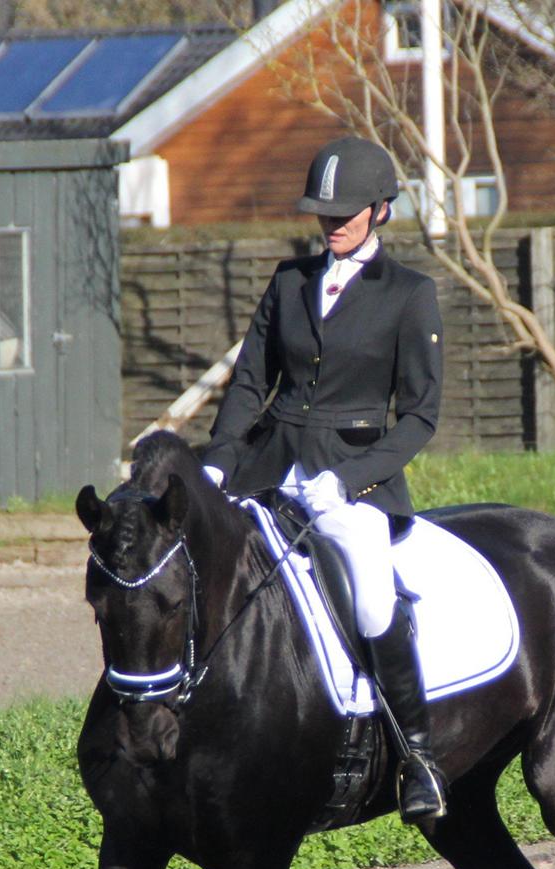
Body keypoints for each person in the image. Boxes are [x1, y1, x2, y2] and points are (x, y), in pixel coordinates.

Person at [201, 135, 448, 823]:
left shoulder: (410, 295)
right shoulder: (287, 282)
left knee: (371, 599)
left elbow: (420, 417)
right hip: (269, 461)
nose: (332, 223)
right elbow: (252, 381)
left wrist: (349, 480)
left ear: (381, 211)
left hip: (353, 479)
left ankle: (418, 755)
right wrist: (221, 457)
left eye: (346, 212)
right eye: (324, 212)